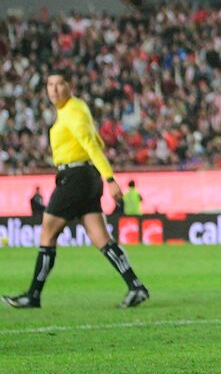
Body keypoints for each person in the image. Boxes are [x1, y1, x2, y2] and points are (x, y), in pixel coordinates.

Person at [3, 70, 149, 309]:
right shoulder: (76, 109)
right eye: (50, 85)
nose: (54, 89)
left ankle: (33, 295)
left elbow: (92, 145)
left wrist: (110, 179)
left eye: (60, 84)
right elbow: (98, 141)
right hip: (85, 176)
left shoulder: (72, 111)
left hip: (76, 176)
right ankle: (136, 287)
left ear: (70, 86)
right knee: (101, 237)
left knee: (48, 233)